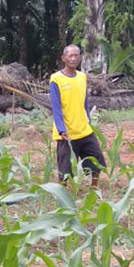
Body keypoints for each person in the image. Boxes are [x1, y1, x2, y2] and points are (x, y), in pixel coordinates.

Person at [50, 45, 106, 188]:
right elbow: (56, 108)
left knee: (96, 161)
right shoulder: (56, 79)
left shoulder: (82, 77)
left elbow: (85, 101)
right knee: (65, 169)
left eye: (76, 55)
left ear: (80, 58)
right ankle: (62, 194)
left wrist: (88, 120)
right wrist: (62, 129)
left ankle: (93, 189)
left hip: (84, 130)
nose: (73, 58)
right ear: (64, 58)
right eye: (70, 55)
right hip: (66, 133)